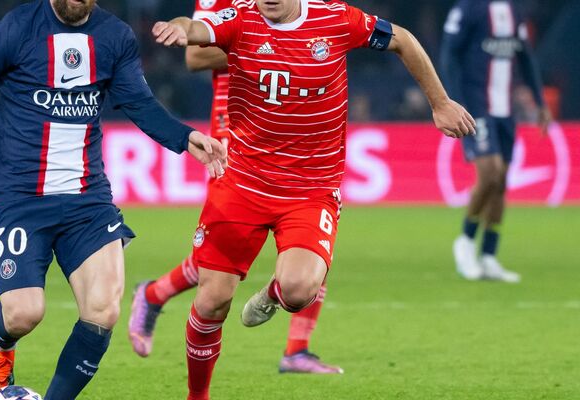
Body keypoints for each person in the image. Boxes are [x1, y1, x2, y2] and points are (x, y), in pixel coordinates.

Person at [0, 0, 227, 398]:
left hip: (88, 199)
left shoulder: (114, 37)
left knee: (103, 310)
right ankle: (1, 344)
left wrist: (184, 137)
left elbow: (139, 104)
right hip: (21, 195)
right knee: (25, 313)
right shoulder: (14, 30)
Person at [151, 0, 475, 398]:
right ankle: (197, 396)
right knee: (212, 301)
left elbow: (404, 40)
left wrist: (440, 103)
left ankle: (273, 294)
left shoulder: (338, 19)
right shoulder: (240, 18)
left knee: (299, 290)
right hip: (242, 182)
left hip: (310, 190)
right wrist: (181, 27)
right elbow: (197, 30)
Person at [127, 0, 342, 375]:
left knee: (315, 244)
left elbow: (328, 35)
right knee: (220, 257)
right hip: (238, 131)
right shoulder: (230, 6)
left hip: (299, 130)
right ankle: (154, 294)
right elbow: (195, 57)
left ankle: (297, 348)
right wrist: (277, 49)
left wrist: (304, 47)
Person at [443, 0, 551, 283]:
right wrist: (452, 101)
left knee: (501, 181)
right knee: (489, 174)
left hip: (505, 111)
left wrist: (540, 103)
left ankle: (489, 255)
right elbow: (449, 55)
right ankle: (465, 243)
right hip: (476, 107)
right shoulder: (468, 8)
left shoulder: (515, 10)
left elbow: (525, 57)